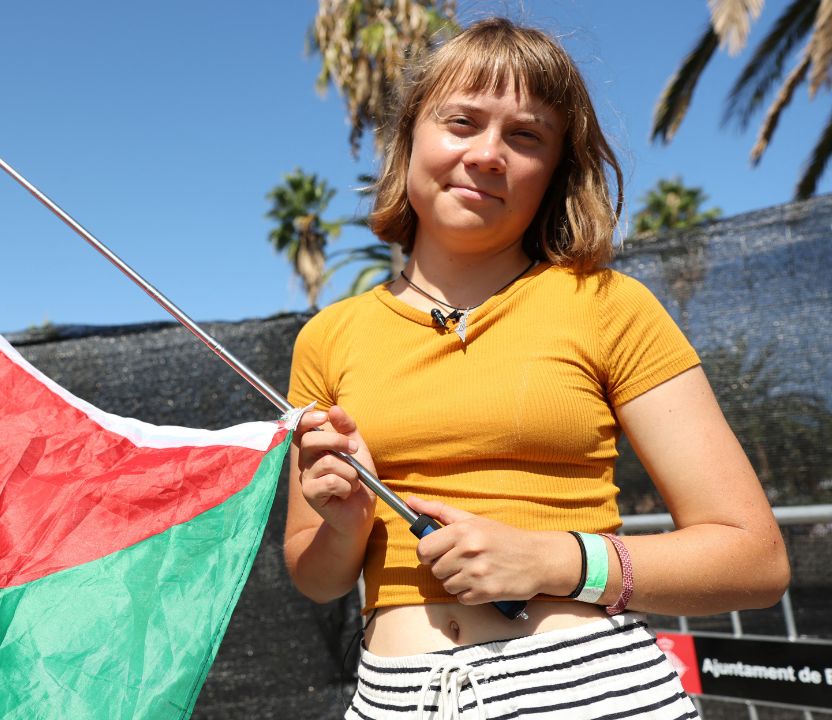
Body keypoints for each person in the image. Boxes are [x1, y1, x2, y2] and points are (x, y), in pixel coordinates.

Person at [284, 17, 789, 720]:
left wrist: (555, 561)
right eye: (462, 122)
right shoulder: (326, 338)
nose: (489, 153)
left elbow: (755, 559)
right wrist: (346, 526)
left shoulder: (609, 305)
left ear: (555, 170)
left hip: (592, 694)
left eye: (526, 136)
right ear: (409, 139)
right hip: (392, 700)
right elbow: (315, 577)